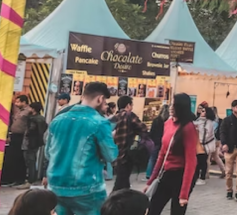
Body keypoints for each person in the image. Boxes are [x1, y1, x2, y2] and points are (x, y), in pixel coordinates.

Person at [46, 82, 118, 215]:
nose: (105, 105)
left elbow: (48, 153)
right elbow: (110, 156)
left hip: (56, 186)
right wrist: (112, 138)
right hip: (87, 188)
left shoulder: (58, 120)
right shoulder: (100, 122)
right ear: (100, 99)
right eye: (105, 102)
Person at [145, 93, 199, 215]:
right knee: (152, 209)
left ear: (180, 107)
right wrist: (151, 181)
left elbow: (191, 162)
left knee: (177, 211)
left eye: (174, 105)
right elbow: (162, 154)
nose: (170, 107)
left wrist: (184, 193)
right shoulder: (168, 123)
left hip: (182, 175)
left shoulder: (188, 127)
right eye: (170, 104)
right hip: (167, 173)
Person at [111, 96, 149, 192]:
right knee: (121, 182)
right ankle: (112, 203)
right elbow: (143, 128)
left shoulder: (115, 117)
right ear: (128, 105)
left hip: (116, 153)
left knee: (123, 181)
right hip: (127, 153)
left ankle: (123, 201)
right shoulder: (129, 115)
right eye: (131, 105)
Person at [16, 102, 47, 189]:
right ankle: (30, 179)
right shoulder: (40, 118)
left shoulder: (33, 119)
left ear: (33, 109)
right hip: (35, 142)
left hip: (30, 142)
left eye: (30, 107)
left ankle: (30, 180)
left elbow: (31, 130)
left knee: (30, 161)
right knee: (31, 160)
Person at [3, 95, 31, 186]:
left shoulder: (28, 112)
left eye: (18, 102)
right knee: (12, 158)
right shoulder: (18, 111)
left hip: (21, 136)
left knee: (19, 158)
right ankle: (12, 178)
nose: (16, 104)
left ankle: (20, 178)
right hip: (14, 136)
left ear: (24, 102)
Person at [193, 106, 216, 185]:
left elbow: (207, 134)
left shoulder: (208, 122)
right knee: (197, 162)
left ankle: (202, 177)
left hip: (203, 144)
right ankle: (196, 177)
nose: (201, 112)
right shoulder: (198, 120)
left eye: (203, 111)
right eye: (201, 111)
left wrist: (202, 142)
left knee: (202, 162)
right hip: (197, 143)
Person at [146, 104, 169, 179]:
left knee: (152, 158)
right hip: (164, 142)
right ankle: (160, 173)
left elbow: (152, 132)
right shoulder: (168, 121)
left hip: (155, 141)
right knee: (162, 158)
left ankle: (149, 174)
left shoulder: (156, 120)